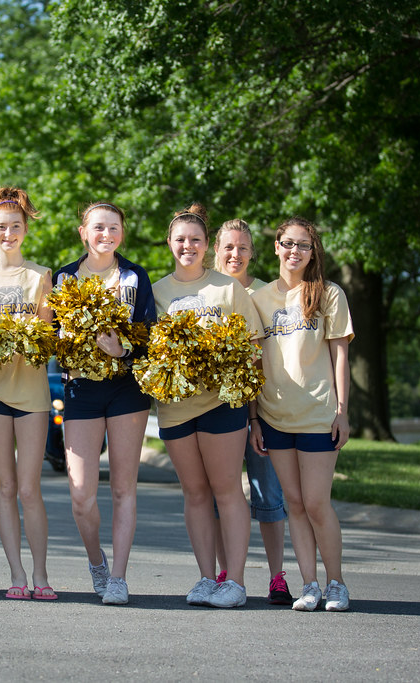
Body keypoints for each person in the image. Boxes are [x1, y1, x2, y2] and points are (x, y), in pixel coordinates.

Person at [152, 205, 262, 608]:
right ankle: (205, 577)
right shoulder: (156, 291)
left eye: (195, 239)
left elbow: (252, 344)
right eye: (181, 239)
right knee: (195, 493)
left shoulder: (227, 289)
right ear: (170, 243)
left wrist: (228, 372)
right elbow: (150, 350)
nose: (188, 246)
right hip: (176, 407)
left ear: (206, 245)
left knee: (227, 490)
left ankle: (234, 581)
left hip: (221, 403)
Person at [249, 216, 354, 612]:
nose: (295, 251)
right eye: (288, 243)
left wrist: (343, 411)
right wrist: (256, 419)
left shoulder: (328, 295)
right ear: (276, 246)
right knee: (293, 503)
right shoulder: (260, 300)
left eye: (304, 245)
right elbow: (255, 365)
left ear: (313, 252)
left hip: (318, 415)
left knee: (315, 503)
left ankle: (336, 583)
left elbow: (340, 357)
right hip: (275, 418)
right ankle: (309, 584)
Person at [53, 202, 155, 606]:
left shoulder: (135, 276)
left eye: (113, 228)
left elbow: (148, 335)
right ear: (83, 232)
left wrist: (122, 351)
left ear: (122, 233)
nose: (106, 235)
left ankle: (118, 577)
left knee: (122, 488)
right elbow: (53, 336)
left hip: (127, 389)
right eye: (98, 227)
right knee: (81, 494)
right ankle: (96, 562)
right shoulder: (63, 277)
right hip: (81, 390)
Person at [0, 187, 57, 600]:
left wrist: (26, 336)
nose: (9, 233)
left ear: (25, 229)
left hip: (32, 392)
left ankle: (41, 575)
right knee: (3, 486)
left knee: (28, 488)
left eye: (15, 226)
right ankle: (17, 576)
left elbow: (48, 337)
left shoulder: (40, 276)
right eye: (1, 227)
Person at [211, 219, 293, 605]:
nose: (235, 255)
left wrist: (259, 415)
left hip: (263, 409)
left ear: (253, 252)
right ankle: (225, 571)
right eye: (229, 247)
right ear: (216, 249)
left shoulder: (266, 294)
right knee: (217, 494)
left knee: (268, 492)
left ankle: (277, 576)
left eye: (243, 248)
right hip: (215, 409)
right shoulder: (206, 289)